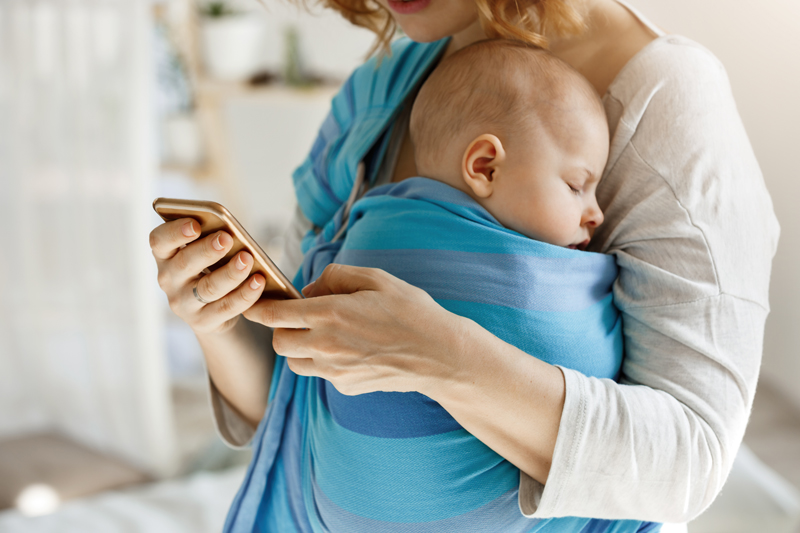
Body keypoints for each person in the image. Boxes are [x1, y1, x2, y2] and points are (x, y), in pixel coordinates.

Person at [148, 0, 779, 529]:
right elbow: (292, 408)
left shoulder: (665, 102)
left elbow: (690, 460)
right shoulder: (379, 95)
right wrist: (220, 317)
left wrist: (441, 355)